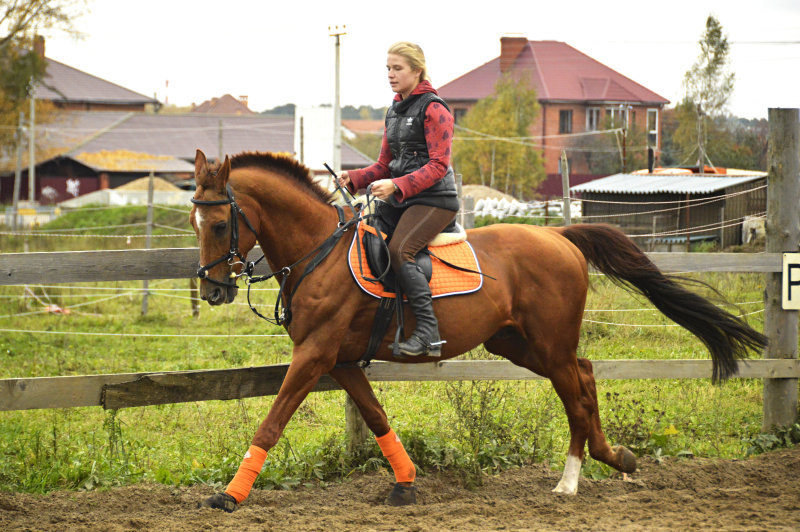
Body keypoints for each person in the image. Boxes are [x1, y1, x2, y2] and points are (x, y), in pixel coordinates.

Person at [338, 41, 458, 357]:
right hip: (402, 199)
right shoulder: (394, 110)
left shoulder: (435, 109)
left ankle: (429, 335)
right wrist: (354, 177)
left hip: (436, 200)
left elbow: (438, 166)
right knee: (361, 235)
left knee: (400, 250)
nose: (390, 75)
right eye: (388, 68)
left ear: (417, 70)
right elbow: (382, 165)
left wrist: (395, 185)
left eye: (397, 68)